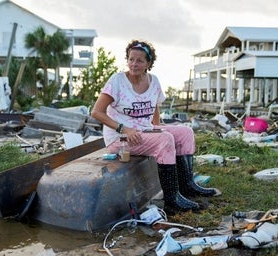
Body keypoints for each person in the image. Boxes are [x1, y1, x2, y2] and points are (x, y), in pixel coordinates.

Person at [91, 39, 220, 214]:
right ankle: (172, 200)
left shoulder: (154, 81)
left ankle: (187, 186)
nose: (134, 64)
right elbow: (97, 112)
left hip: (145, 130)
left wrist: (158, 127)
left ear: (149, 64)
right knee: (165, 139)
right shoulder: (117, 81)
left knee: (185, 132)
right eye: (131, 59)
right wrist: (124, 129)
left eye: (139, 60)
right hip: (120, 139)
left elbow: (155, 106)